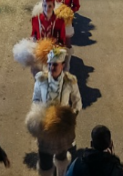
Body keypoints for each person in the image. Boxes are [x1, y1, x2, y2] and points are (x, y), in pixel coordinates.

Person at [31, 47, 82, 176]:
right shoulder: (40, 79)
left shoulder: (70, 81)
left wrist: (71, 115)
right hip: (45, 128)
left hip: (62, 128)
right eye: (49, 64)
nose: (51, 67)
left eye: (55, 64)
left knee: (61, 157)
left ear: (62, 65)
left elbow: (77, 101)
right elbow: (36, 99)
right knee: (45, 161)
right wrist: (40, 115)